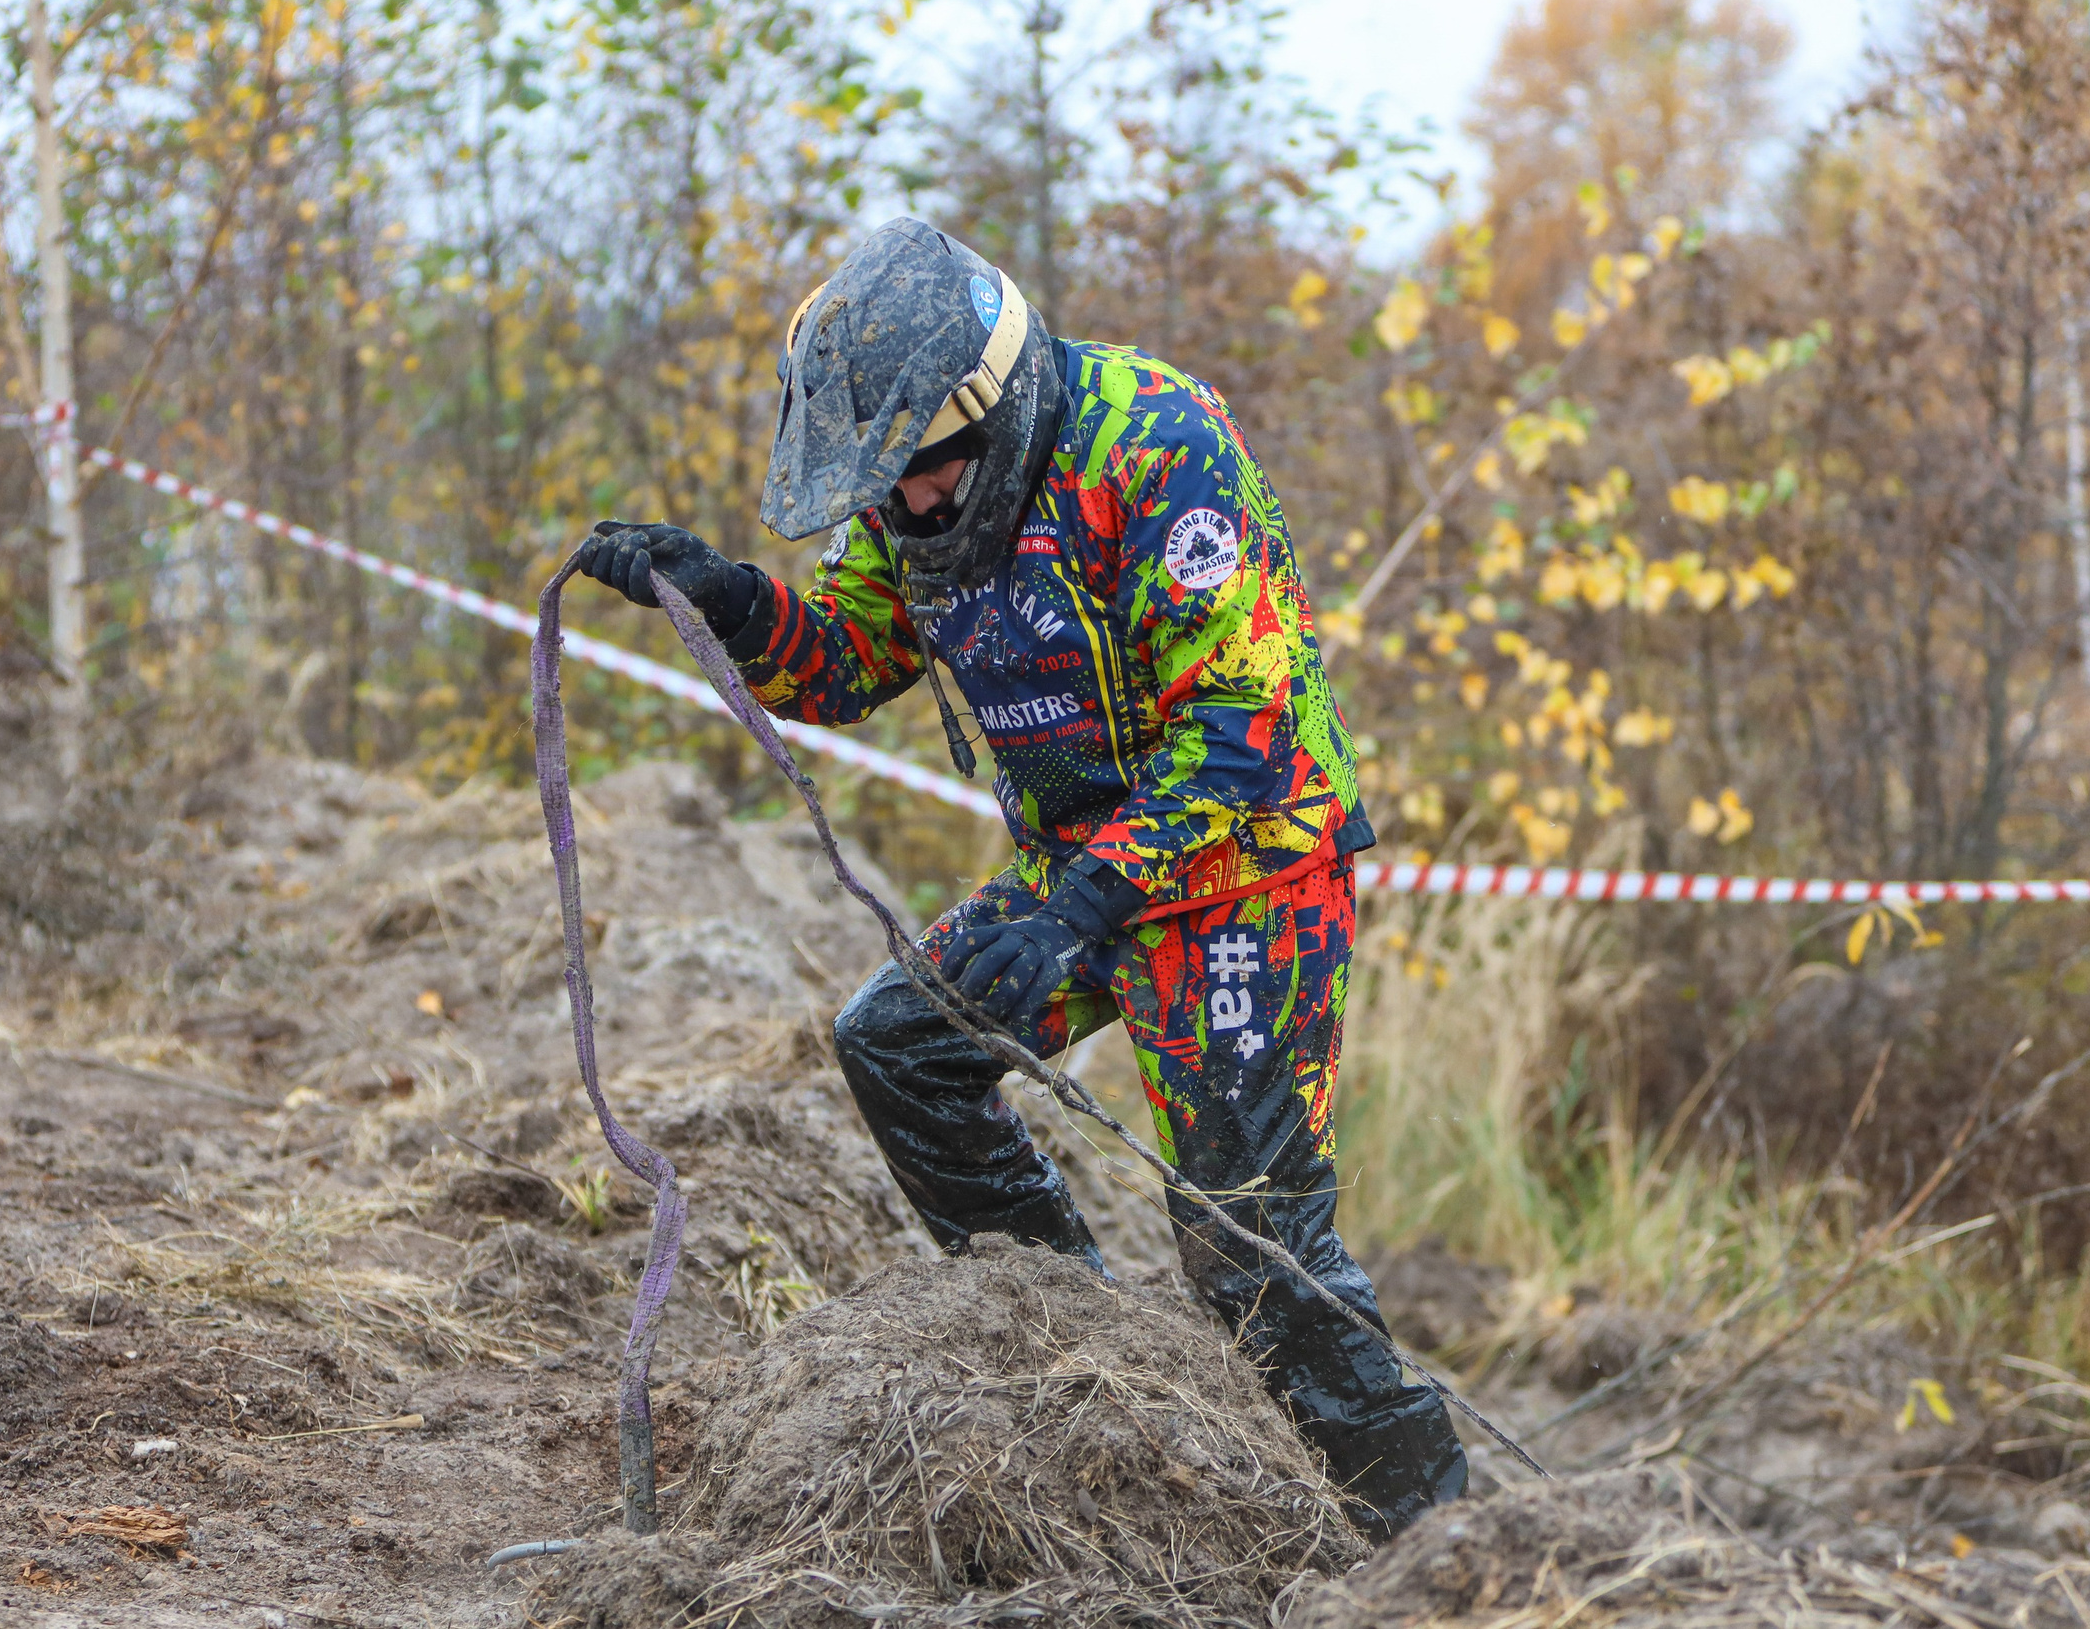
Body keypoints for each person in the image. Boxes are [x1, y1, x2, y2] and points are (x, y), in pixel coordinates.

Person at [569, 216, 1467, 1540]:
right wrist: (730, 600)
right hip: (1073, 876)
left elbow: (1244, 725)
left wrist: (1073, 911)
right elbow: (850, 658)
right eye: (888, 489)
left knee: (1249, 1242)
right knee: (900, 1046)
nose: (910, 508)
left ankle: (1431, 1544)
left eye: (923, 477)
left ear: (990, 415)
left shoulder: (1154, 445)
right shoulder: (914, 499)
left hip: (1245, 869)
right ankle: (1087, 1365)